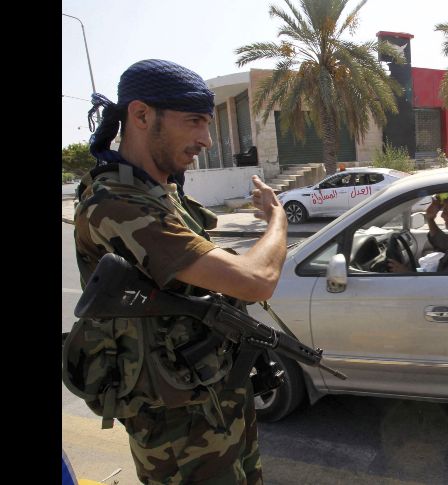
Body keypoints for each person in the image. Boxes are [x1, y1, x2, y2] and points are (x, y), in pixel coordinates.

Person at [64, 59, 287, 485]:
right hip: (176, 424)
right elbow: (257, 280)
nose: (206, 139)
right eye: (194, 122)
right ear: (142, 115)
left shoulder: (160, 192)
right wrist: (277, 219)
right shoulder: (117, 204)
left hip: (212, 395)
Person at [388, 191, 448, 272]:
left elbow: (444, 285)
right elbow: (443, 243)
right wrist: (430, 219)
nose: (442, 216)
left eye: (445, 211)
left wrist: (407, 273)